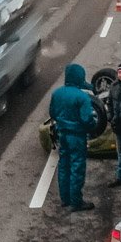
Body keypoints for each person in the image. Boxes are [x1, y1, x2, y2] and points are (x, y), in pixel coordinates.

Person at [49, 63, 96, 212]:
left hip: (62, 133)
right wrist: (93, 127)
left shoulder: (57, 93)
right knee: (77, 167)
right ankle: (76, 201)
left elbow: (52, 113)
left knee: (64, 166)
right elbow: (87, 119)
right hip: (77, 136)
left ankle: (65, 199)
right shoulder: (82, 97)